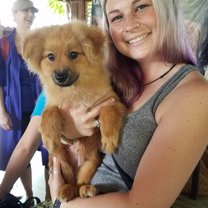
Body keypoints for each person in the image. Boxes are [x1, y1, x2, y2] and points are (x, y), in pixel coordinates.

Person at [46, 0, 208, 208]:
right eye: (117, 17)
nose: (130, 25)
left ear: (164, 8)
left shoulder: (194, 95)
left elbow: (144, 204)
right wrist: (69, 133)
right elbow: (66, 124)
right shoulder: (116, 79)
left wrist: (62, 204)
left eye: (140, 7)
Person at [0, 0, 41, 199]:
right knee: (20, 152)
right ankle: (30, 195)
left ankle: (52, 199)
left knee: (51, 153)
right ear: (14, 14)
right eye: (25, 11)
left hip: (39, 107)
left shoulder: (40, 41)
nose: (30, 15)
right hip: (13, 108)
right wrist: (1, 112)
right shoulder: (3, 44)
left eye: (32, 12)